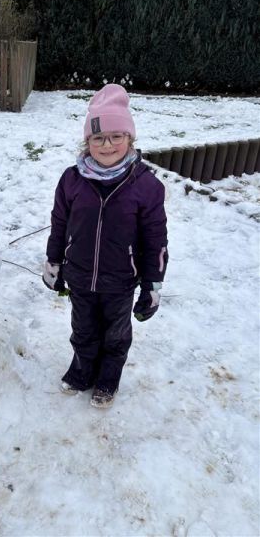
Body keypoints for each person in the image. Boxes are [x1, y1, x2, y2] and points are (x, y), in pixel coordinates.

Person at [43, 84, 168, 409]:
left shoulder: (146, 186)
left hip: (121, 280)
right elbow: (59, 223)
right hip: (80, 275)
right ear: (87, 142)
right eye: (98, 138)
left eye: (116, 136)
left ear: (130, 138)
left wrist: (152, 284)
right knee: (83, 330)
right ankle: (82, 372)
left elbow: (155, 239)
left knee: (115, 335)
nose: (107, 145)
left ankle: (107, 380)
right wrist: (54, 261)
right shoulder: (71, 180)